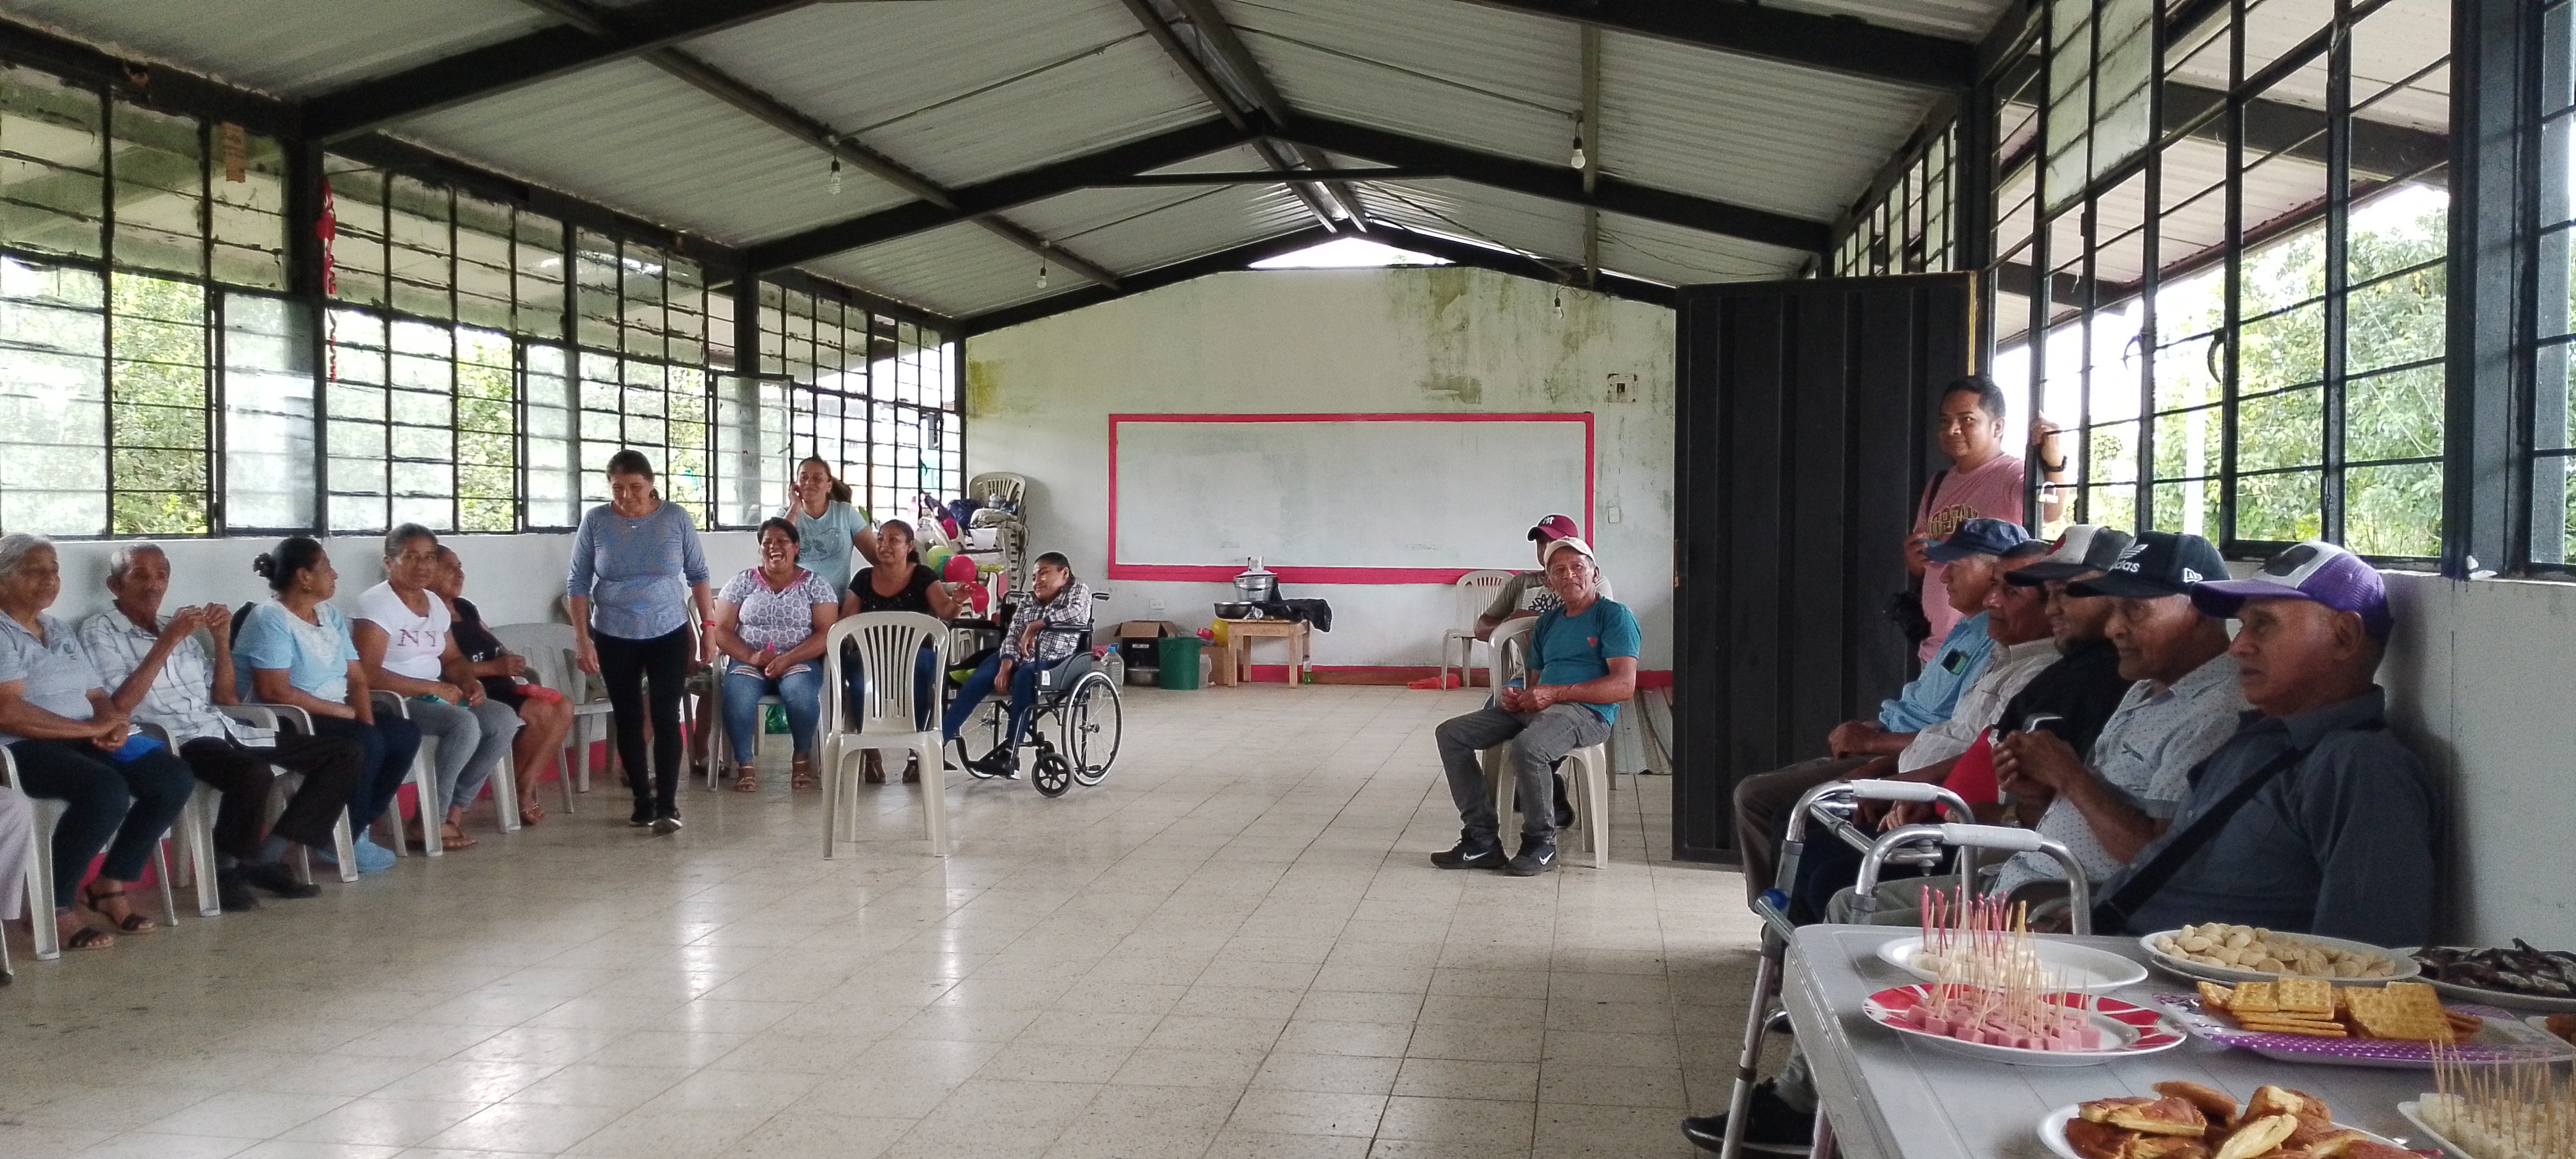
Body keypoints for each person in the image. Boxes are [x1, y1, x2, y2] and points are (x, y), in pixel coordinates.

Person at [2092, 540, 2437, 945]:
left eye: (2264, 625)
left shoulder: (2361, 767)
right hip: (2116, 942)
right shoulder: (2257, 738)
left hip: (2171, 978)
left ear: (2344, 637)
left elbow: (2367, 959)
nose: (2237, 646)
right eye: (2242, 626)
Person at [1727, 518, 2037, 905]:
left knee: (1775, 809)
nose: (1943, 577)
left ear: (1993, 573)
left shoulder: (2009, 651)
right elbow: (1942, 722)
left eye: (1954, 566)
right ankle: (1777, 916)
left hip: (1916, 779)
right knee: (1784, 816)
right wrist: (1876, 738)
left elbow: (1967, 744)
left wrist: (1879, 755)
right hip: (1896, 758)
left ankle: (1781, 922)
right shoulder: (1972, 633)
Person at [81, 543, 363, 911]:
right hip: (171, 737)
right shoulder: (100, 630)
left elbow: (226, 697)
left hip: (221, 726)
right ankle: (226, 872)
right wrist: (168, 641)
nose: (153, 584)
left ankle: (266, 858)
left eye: (161, 575)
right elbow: (119, 706)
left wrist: (220, 637)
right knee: (251, 773)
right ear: (115, 585)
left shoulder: (174, 626)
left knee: (345, 753)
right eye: (140, 575)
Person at [1991, 531, 2249, 901]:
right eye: (2113, 609)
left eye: (2134, 610)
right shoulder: (2144, 687)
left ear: (2202, 612)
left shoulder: (2216, 715)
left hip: (2065, 908)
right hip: (2018, 881)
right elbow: (2100, 815)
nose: (2113, 628)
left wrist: (2069, 776)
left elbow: (2160, 861)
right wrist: (2043, 793)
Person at [0, 533, 196, 951]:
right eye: (34, 571)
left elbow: (95, 694)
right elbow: (9, 711)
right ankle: (54, 907)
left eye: (54, 570)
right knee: (105, 789)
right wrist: (90, 730)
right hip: (23, 746)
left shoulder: (56, 628)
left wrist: (113, 722)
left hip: (83, 736)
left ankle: (110, 883)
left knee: (171, 776)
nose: (49, 579)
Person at [1431, 537, 1639, 877]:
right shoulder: (1548, 623)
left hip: (1588, 712)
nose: (1570, 575)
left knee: (1529, 747)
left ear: (1594, 573)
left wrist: (1556, 694)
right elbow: (1535, 683)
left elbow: (1623, 686)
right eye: (1559, 570)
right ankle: (1481, 840)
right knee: (1451, 734)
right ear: (1549, 581)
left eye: (1578, 567)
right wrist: (1519, 696)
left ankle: (1541, 845)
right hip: (1545, 707)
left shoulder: (1614, 616)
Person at [236, 536, 419, 875]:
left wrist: (365, 720)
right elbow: (275, 691)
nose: (335, 575)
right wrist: (345, 714)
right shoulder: (269, 618)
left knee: (403, 734)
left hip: (335, 714)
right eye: (327, 567)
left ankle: (354, 828)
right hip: (286, 719)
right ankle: (342, 840)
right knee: (366, 742)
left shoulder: (329, 615)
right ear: (304, 576)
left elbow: (358, 679)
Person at [568, 449, 714, 835]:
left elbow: (699, 575)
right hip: (614, 633)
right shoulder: (596, 521)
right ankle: (642, 802)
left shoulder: (675, 518)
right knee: (629, 718)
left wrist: (709, 630)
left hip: (668, 630)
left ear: (651, 485)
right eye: (618, 488)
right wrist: (583, 639)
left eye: (635, 487)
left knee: (666, 715)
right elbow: (577, 583)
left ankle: (667, 804)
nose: (626, 496)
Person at [355, 526, 519, 849]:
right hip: (392, 700)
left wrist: (469, 682)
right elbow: (367, 674)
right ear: (389, 562)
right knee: (463, 724)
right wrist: (430, 686)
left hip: (434, 695)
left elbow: (453, 659)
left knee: (502, 719)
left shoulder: (434, 603)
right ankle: (429, 821)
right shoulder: (375, 604)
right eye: (411, 557)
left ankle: (454, 811)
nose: (422, 566)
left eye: (429, 557)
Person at [1904, 376, 2065, 661]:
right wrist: (1914, 558)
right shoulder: (1939, 483)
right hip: (1936, 647)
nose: (1952, 429)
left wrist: (2054, 464)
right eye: (1945, 421)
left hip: (1983, 648)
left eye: (1967, 420)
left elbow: (2051, 510)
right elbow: (1923, 557)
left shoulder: (2012, 474)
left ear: (1997, 427)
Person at [428, 547, 574, 827]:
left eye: (460, 566)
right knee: (543, 714)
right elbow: (444, 668)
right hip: (477, 691)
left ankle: (525, 785)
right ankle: (516, 793)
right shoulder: (431, 614)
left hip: (502, 685)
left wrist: (508, 660)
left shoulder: (465, 608)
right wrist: (494, 668)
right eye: (450, 568)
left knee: (564, 706)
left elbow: (490, 639)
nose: (459, 574)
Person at [711, 518, 838, 793]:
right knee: (737, 697)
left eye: (782, 541)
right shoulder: (742, 582)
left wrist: (788, 659)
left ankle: (801, 759)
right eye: (767, 542)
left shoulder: (816, 584)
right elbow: (721, 630)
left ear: (796, 547)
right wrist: (751, 656)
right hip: (749, 661)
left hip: (798, 661)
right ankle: (745, 765)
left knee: (801, 695)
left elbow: (826, 632)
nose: (773, 547)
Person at [942, 552, 1092, 776]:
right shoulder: (1028, 600)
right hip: (1016, 657)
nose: (1037, 580)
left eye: (1044, 573)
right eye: (1034, 576)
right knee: (978, 680)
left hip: (1054, 660)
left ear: (1064, 573)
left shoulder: (1078, 591)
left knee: (1025, 677)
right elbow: (1012, 636)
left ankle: (1011, 752)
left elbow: (1074, 612)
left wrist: (1035, 626)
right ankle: (938, 742)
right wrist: (1005, 667)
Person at [843, 519, 962, 784]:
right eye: (880, 539)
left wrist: (957, 601)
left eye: (893, 540)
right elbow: (846, 622)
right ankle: (871, 752)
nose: (884, 545)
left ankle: (915, 751)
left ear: (909, 546)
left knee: (917, 673)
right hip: (870, 656)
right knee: (858, 679)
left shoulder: (923, 576)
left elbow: (945, 611)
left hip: (916, 655)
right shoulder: (863, 578)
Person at [1473, 513, 1617, 642]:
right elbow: (1481, 629)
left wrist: (1533, 622)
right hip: (1525, 665)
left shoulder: (1592, 582)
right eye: (1541, 542)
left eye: (1554, 541)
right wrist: (1509, 624)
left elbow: (1596, 630)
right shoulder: (1522, 581)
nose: (1546, 547)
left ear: (1572, 546)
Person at [786, 456, 871, 595]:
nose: (809, 482)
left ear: (829, 486)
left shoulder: (845, 513)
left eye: (817, 479)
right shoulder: (786, 514)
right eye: (803, 478)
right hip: (796, 601)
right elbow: (777, 545)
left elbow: (875, 555)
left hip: (837, 601)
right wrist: (795, 506)